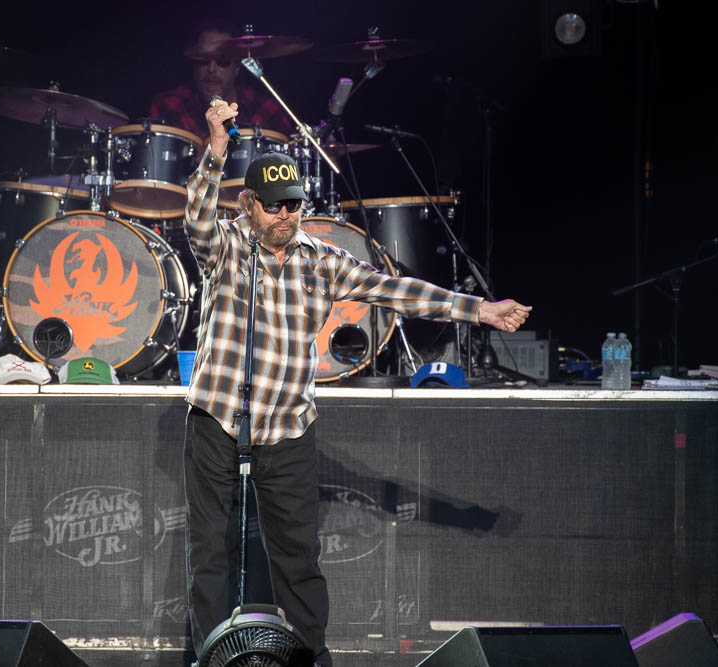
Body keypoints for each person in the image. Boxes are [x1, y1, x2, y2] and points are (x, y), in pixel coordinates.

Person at [181, 98, 532, 666]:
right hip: (218, 419)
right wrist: (216, 149)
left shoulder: (323, 260)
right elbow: (197, 214)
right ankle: (210, 659)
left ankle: (311, 661)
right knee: (209, 556)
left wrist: (478, 310)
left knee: (298, 559)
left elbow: (397, 291)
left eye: (293, 205)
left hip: (288, 426)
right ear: (248, 204)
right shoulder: (225, 246)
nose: (285, 216)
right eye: (273, 206)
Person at [148, 22, 295, 144]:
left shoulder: (266, 109)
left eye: (222, 61)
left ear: (237, 67)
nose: (212, 69)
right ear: (194, 64)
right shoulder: (168, 105)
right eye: (204, 60)